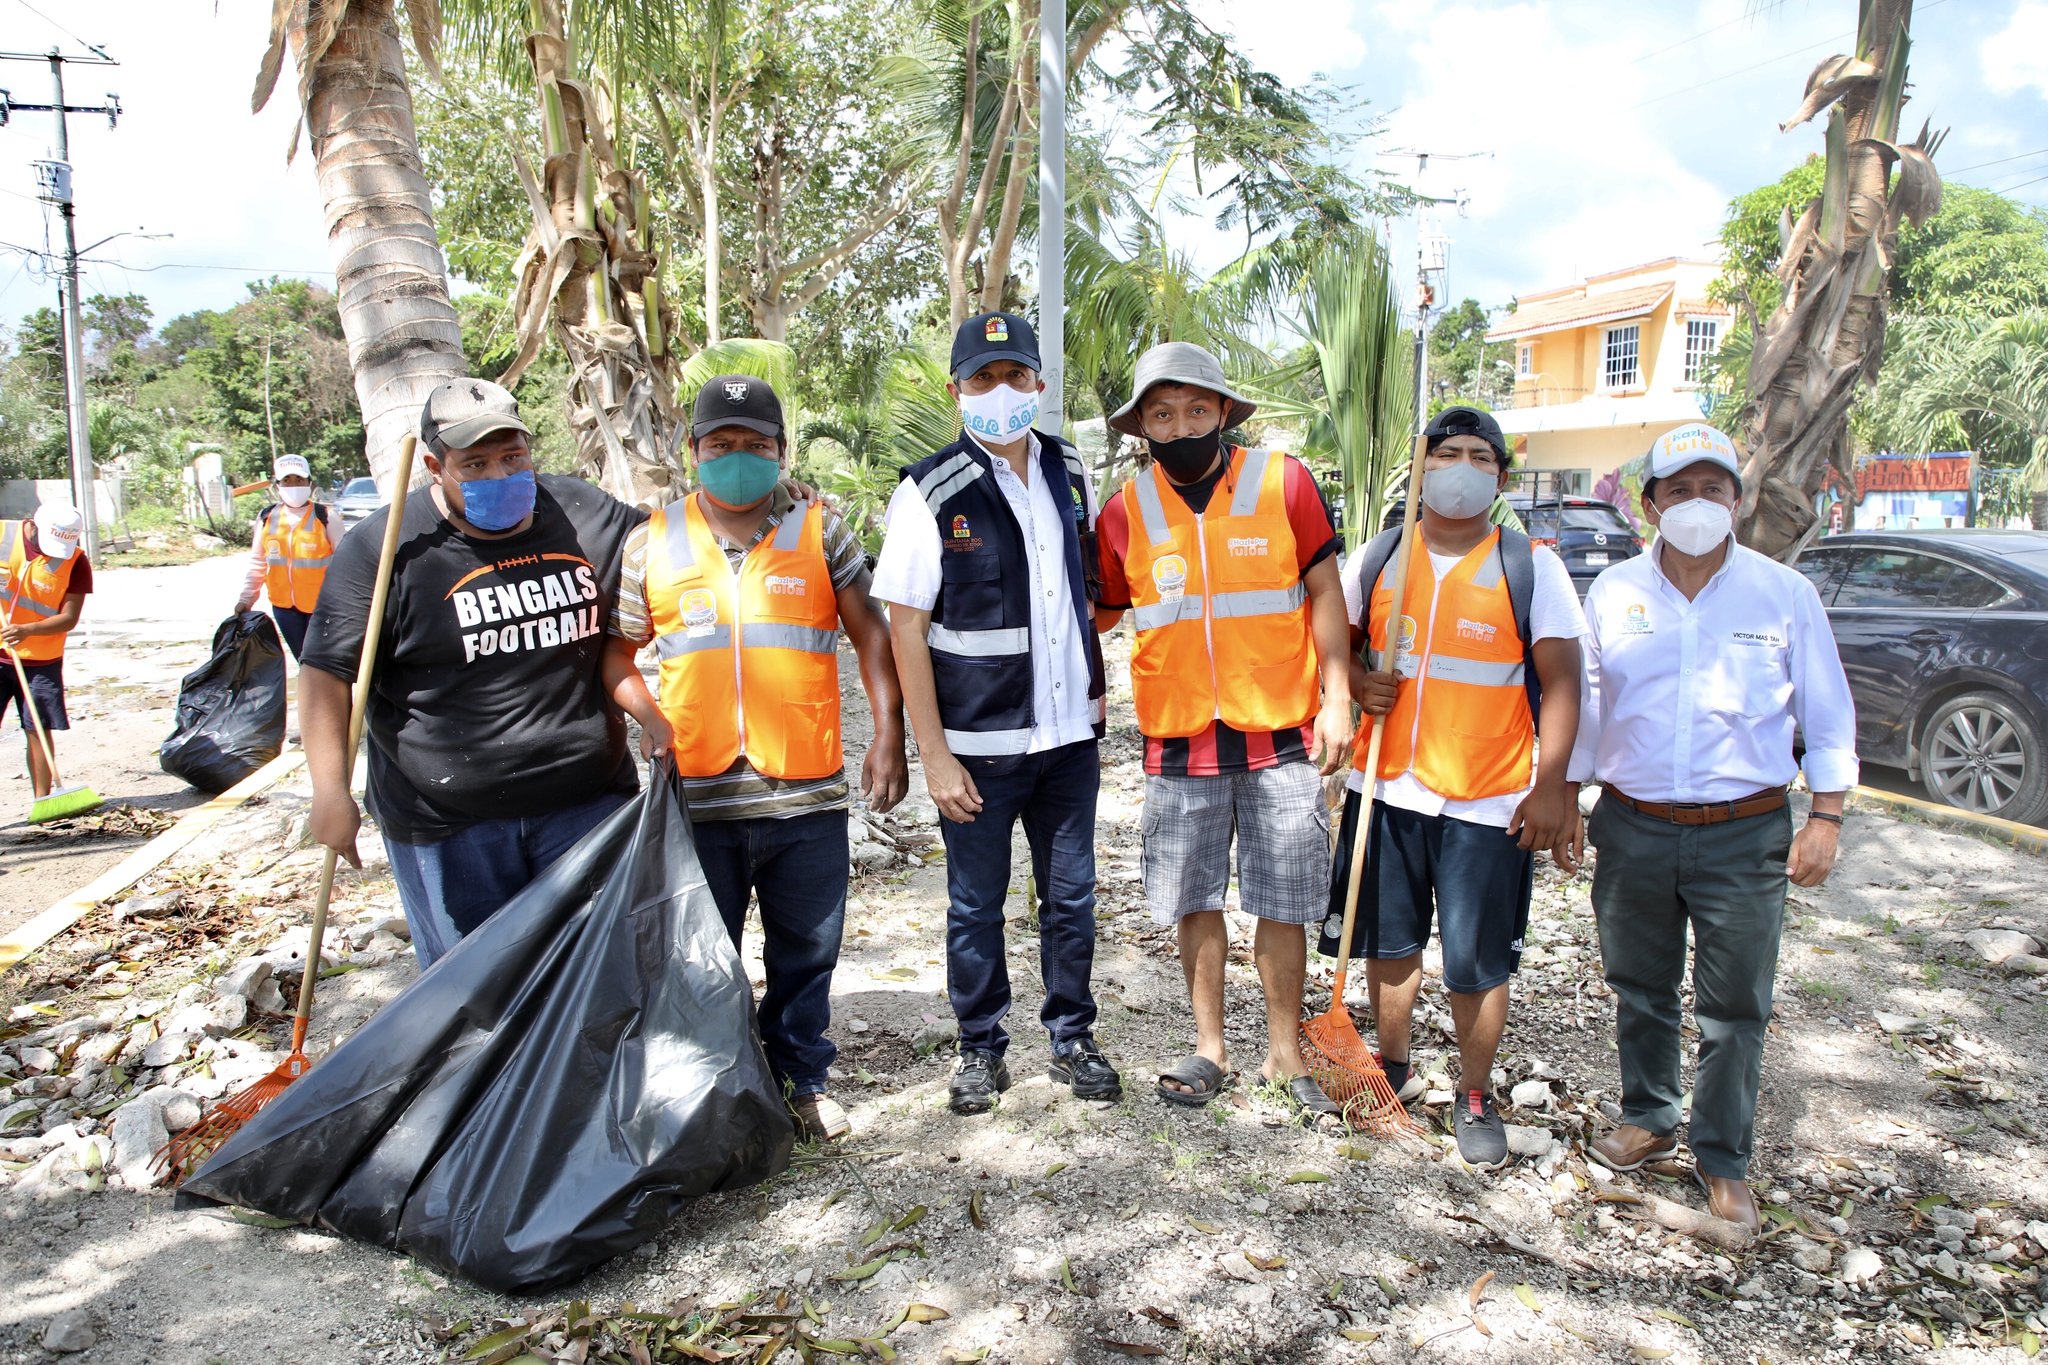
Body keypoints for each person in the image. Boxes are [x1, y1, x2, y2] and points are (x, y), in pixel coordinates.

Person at [604, 374, 908, 1142]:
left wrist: (887, 731)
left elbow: (872, 632)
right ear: (692, 451)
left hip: (804, 794)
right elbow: (616, 657)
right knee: (702, 956)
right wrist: (648, 716)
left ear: (781, 452)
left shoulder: (820, 532)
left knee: (808, 950)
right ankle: (711, 1091)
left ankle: (801, 1078)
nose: (738, 457)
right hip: (697, 796)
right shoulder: (652, 542)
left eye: (756, 445)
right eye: (721, 445)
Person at [1566, 422, 1855, 1231]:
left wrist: (1826, 815)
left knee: (1735, 1008)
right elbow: (1590, 710)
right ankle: (1650, 1116)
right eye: (1680, 490)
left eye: (1715, 489)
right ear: (1651, 502)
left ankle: (1723, 1157)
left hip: (1746, 829)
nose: (1699, 504)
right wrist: (1566, 795)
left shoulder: (1783, 594)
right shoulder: (1613, 592)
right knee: (1641, 986)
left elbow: (1829, 718)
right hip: (1634, 824)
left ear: (1739, 499)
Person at [1091, 341, 1352, 1119]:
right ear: (1142, 426)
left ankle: (1283, 1050)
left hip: (1279, 732)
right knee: (1193, 895)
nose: (1180, 426)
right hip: (1179, 737)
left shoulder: (1284, 482)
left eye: (1196, 409)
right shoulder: (1123, 510)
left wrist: (1337, 694)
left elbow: (1326, 591)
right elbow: (1098, 612)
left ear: (1223, 413)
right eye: (1162, 414)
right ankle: (1209, 1048)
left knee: (1285, 895)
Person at [302, 378, 645, 966]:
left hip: (587, 805)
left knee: (595, 976)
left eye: (513, 457)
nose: (499, 476)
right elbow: (326, 674)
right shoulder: (386, 549)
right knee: (476, 994)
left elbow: (678, 539)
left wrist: (777, 502)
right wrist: (329, 791)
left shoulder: (579, 509)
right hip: (451, 827)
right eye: (476, 463)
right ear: (435, 465)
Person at [872, 311, 1121, 1116]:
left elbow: (1081, 597)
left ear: (1040, 385)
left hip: (1067, 743)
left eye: (1016, 376)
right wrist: (933, 756)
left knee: (1073, 897)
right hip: (977, 750)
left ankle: (1072, 1035)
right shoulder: (929, 491)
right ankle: (980, 1045)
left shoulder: (1069, 471)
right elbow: (904, 625)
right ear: (957, 391)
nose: (1001, 391)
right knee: (976, 904)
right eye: (983, 378)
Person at [1325, 406, 1584, 1168]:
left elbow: (1564, 682)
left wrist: (1553, 786)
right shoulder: (1380, 557)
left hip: (1490, 795)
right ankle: (1393, 1067)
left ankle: (1475, 1093)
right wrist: (1357, 681)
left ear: (1500, 476)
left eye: (1478, 455)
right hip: (1392, 787)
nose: (1461, 467)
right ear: (1423, 466)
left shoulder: (1530, 565)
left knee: (1477, 960)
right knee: (1390, 945)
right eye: (1447, 454)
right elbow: (1330, 640)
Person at [1, 504, 91, 799]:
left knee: (37, 729)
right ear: (33, 525)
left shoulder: (76, 561)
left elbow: (69, 617)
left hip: (42, 660)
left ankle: (43, 802)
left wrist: (27, 630)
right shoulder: (3, 534)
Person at [235, 453, 343, 660]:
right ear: (278, 485)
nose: (293, 485)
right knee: (302, 660)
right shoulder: (267, 518)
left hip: (321, 609)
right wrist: (246, 600)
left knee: (322, 662)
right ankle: (309, 692)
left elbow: (346, 563)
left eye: (299, 480)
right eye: (287, 480)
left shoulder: (326, 517)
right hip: (285, 609)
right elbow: (258, 563)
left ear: (309, 483)